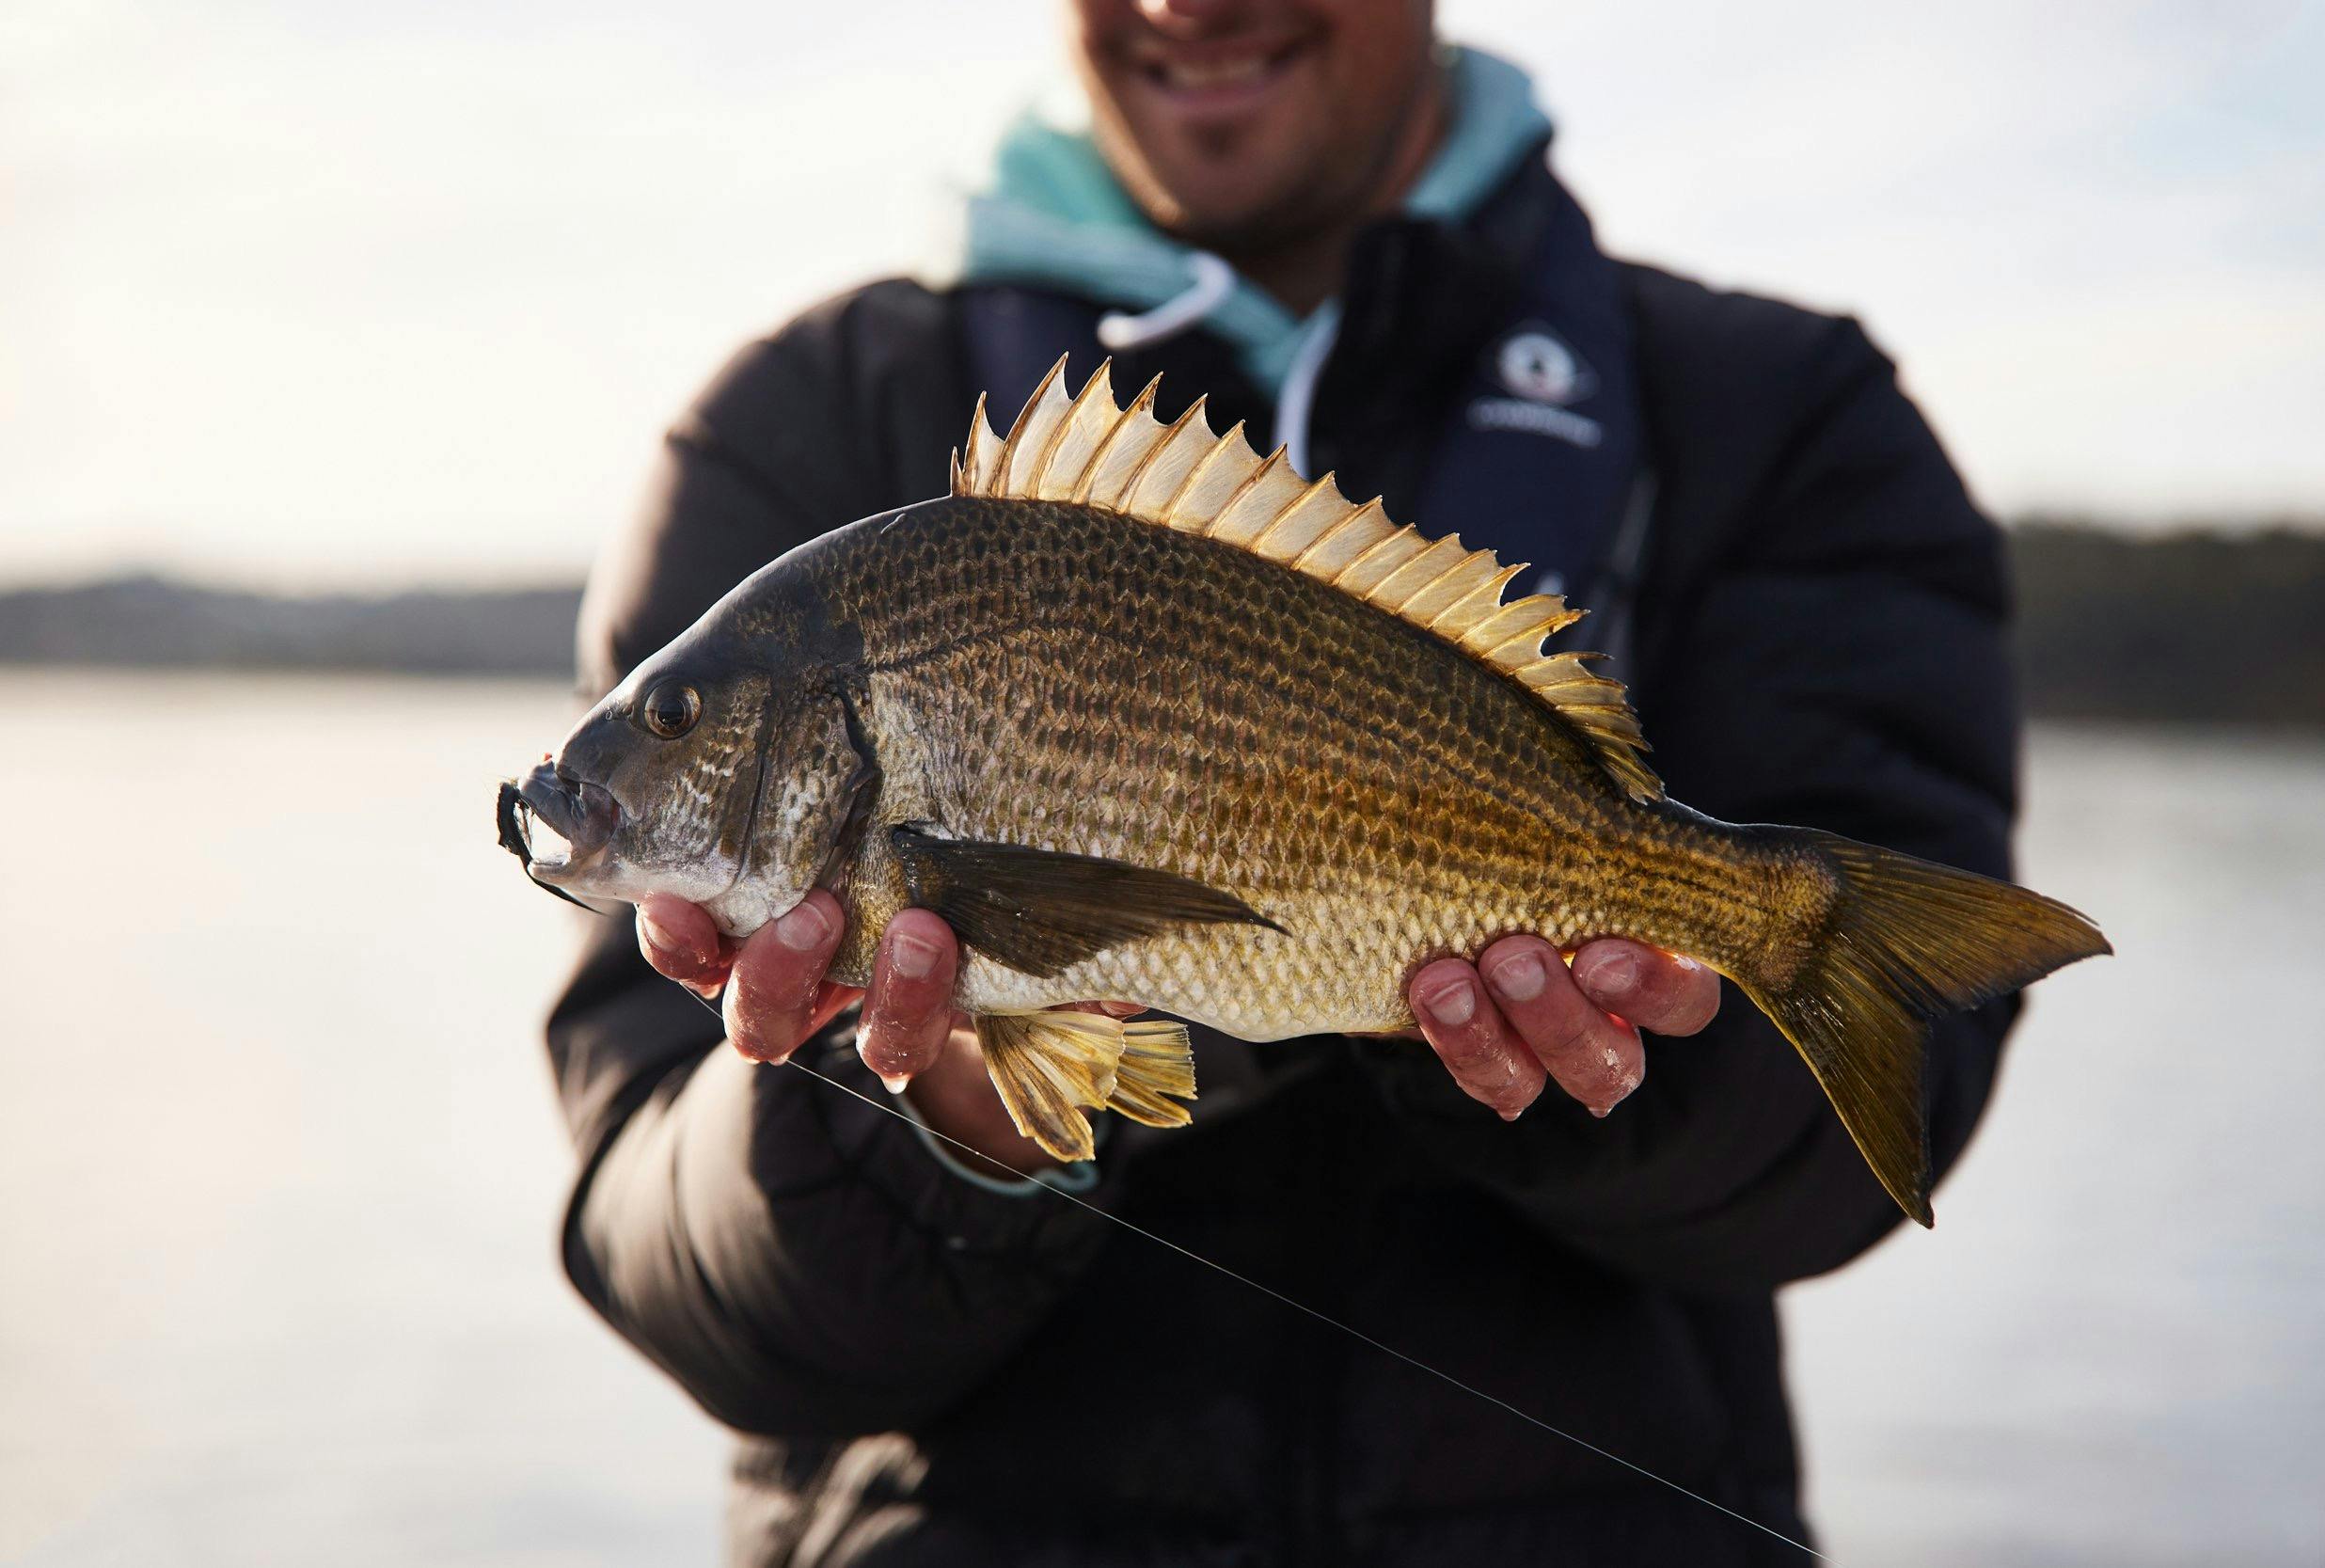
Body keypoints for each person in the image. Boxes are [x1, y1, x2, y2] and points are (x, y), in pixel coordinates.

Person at [546, 1, 2024, 1561]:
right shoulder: (796, 426)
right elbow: (664, 1257)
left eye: (687, 722)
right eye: (681, 718)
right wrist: (946, 1118)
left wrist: (1612, 1064)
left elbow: (1880, 1133)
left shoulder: (1785, 417)